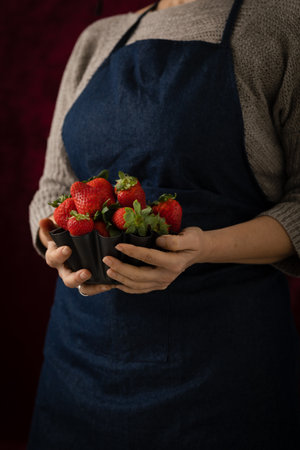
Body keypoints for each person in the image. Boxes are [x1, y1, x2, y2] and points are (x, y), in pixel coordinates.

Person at [28, 0, 300, 448]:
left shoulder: (280, 23)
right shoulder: (98, 38)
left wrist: (204, 247)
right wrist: (51, 242)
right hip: (79, 357)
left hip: (220, 364)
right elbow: (55, 186)